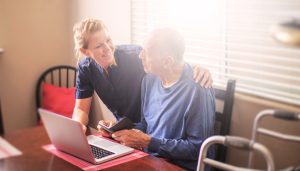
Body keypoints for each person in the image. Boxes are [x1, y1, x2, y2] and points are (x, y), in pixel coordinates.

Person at [98, 28, 215, 171]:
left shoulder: (199, 90)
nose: (140, 55)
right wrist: (119, 130)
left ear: (167, 62)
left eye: (147, 53)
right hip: (149, 159)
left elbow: (198, 149)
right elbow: (147, 124)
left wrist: (148, 142)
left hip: (179, 166)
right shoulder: (149, 79)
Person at [72, 18, 214, 133]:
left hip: (152, 131)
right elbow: (80, 109)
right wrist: (77, 128)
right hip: (127, 131)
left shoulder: (134, 56)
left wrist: (200, 67)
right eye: (98, 46)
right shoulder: (86, 69)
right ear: (85, 51)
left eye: (108, 40)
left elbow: (171, 62)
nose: (107, 48)